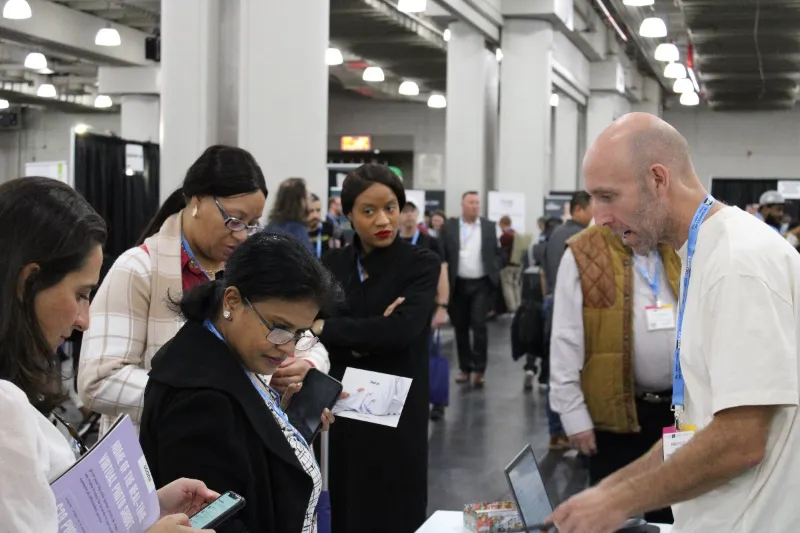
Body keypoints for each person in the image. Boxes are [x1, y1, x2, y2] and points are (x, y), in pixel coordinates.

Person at [549, 112, 800, 533]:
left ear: (658, 180)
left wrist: (618, 502)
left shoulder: (737, 264)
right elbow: (696, 429)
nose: (599, 217)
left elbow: (741, 441)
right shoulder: (700, 253)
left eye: (608, 196)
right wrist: (606, 492)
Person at [0, 177, 217, 533]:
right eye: (81, 294)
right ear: (28, 283)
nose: (84, 321)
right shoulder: (5, 407)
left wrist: (145, 509)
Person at [79, 146, 329, 436]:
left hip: (236, 446)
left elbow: (307, 340)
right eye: (234, 220)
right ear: (197, 201)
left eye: (252, 224)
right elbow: (98, 381)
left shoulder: (251, 268)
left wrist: (307, 366)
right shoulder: (139, 269)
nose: (242, 234)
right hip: (160, 450)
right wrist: (216, 395)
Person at [140, 233, 340, 533]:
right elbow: (218, 519)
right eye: (280, 328)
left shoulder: (223, 354)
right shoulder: (200, 399)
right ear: (232, 301)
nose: (287, 347)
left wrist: (280, 423)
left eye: (299, 334)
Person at [308, 163, 440, 533]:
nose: (383, 219)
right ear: (348, 214)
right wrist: (371, 330)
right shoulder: (331, 265)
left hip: (397, 411)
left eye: (391, 208)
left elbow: (400, 332)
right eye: (369, 211)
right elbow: (308, 327)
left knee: (395, 508)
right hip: (342, 408)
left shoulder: (420, 263)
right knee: (347, 508)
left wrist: (330, 328)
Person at [550, 225, 680, 524]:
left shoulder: (673, 245)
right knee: (613, 515)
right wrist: (572, 413)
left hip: (676, 412)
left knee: (674, 512)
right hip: (616, 413)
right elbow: (565, 339)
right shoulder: (584, 252)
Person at [438, 191, 502, 388]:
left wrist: (495, 266)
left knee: (479, 325)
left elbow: (499, 253)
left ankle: (480, 370)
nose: (475, 206)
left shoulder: (489, 227)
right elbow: (442, 254)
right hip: (458, 284)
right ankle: (465, 368)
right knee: (461, 327)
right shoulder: (449, 227)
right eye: (471, 202)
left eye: (477, 202)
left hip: (481, 284)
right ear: (462, 205)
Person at [264, 177, 314, 252]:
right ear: (301, 201)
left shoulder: (268, 229)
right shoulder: (298, 232)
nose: (311, 201)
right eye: (308, 197)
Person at [307, 192, 341, 259]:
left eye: (318, 210)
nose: (315, 215)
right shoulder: (299, 232)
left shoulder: (331, 228)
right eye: (311, 211)